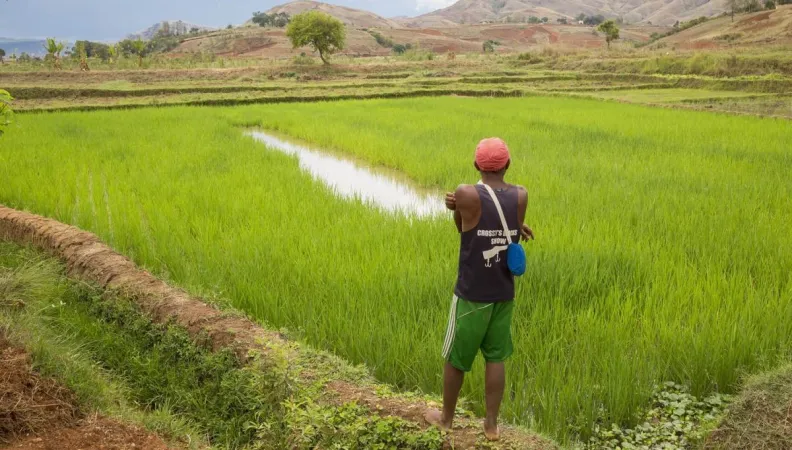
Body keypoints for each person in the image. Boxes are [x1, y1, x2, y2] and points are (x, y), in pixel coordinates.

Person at [425, 137, 533, 441]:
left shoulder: (465, 193)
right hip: (503, 293)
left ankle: (446, 419)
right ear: (508, 164)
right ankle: (491, 426)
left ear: (476, 165)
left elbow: (463, 228)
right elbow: (511, 226)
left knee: (456, 357)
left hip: (472, 294)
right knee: (496, 357)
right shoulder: (521, 195)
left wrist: (455, 208)